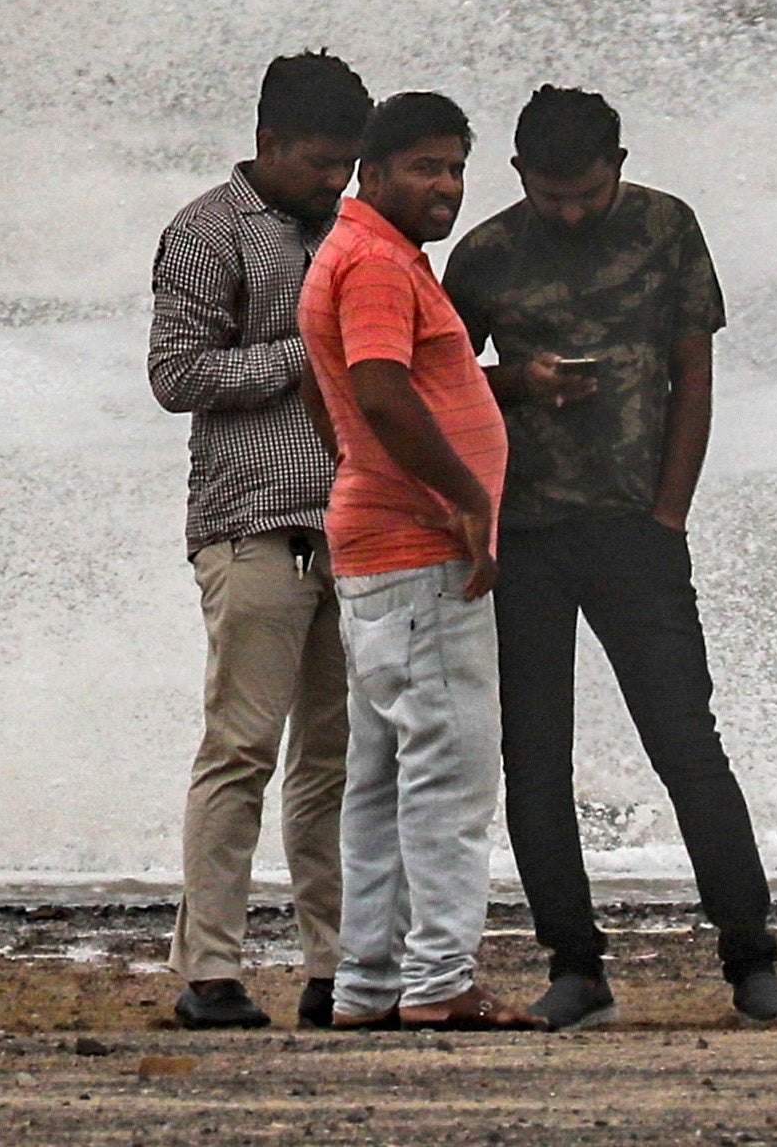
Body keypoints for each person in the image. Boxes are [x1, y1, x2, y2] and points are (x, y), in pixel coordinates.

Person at [443, 83, 777, 1028]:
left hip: (635, 531)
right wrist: (519, 381)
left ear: (620, 166)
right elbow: (441, 384)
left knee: (686, 743)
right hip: (521, 538)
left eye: (586, 193)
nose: (568, 211)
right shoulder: (482, 255)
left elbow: (696, 374)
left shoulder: (666, 228)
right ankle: (575, 963)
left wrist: (669, 514)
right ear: (518, 172)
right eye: (550, 194)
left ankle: (751, 957)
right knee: (536, 757)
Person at [300, 88, 540, 1030]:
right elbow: (378, 389)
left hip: (378, 545)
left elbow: (339, 405)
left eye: (454, 167)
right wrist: (465, 498)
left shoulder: (364, 254)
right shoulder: (374, 264)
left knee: (384, 771)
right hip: (415, 553)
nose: (445, 185)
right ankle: (440, 980)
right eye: (423, 167)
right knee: (451, 768)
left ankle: (367, 983)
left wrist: (367, 473)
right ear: (373, 170)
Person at [146, 50, 369, 1030]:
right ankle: (209, 973)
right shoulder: (206, 231)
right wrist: (307, 353)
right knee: (241, 746)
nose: (335, 181)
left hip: (353, 526)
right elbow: (176, 376)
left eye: (348, 165)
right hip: (251, 522)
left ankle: (337, 968)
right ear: (265, 142)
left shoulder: (355, 230)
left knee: (337, 758)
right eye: (321, 162)